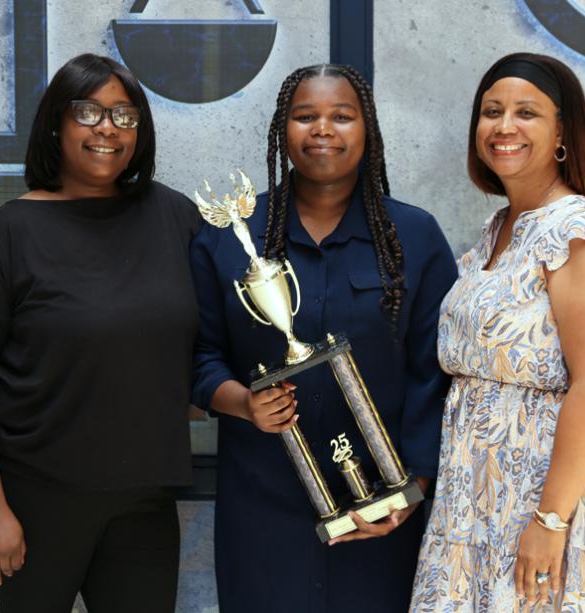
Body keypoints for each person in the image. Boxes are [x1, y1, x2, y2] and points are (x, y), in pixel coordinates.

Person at [191, 64, 458, 612]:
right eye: (305, 116)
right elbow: (198, 353)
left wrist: (415, 487)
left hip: (380, 509)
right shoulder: (232, 239)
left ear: (368, 129)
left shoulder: (414, 236)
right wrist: (242, 402)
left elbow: (436, 373)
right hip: (263, 504)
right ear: (282, 129)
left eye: (342, 116)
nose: (322, 130)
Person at [0, 53, 199, 612]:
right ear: (56, 124)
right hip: (32, 500)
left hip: (144, 501)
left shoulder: (174, 218)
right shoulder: (6, 235)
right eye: (88, 112)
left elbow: (214, 334)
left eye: (124, 115)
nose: (108, 128)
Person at [410, 53, 585, 611]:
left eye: (526, 113)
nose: (504, 126)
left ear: (562, 133)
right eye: (491, 112)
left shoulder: (583, 234)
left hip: (553, 497)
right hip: (477, 494)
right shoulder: (498, 229)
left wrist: (551, 519)